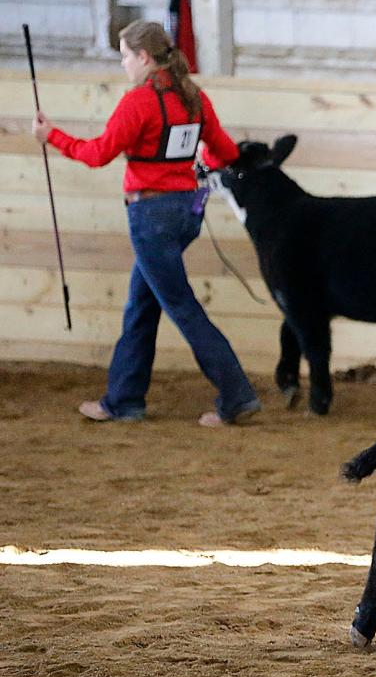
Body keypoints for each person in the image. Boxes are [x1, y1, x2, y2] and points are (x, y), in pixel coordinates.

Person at [32, 21, 261, 428]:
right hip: (188, 212)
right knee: (141, 305)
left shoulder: (138, 103)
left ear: (143, 57)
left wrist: (52, 136)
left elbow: (98, 154)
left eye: (124, 56)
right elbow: (224, 152)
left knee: (182, 308)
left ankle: (236, 394)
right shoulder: (195, 98)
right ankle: (124, 399)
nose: (123, 65)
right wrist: (198, 167)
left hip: (150, 217)